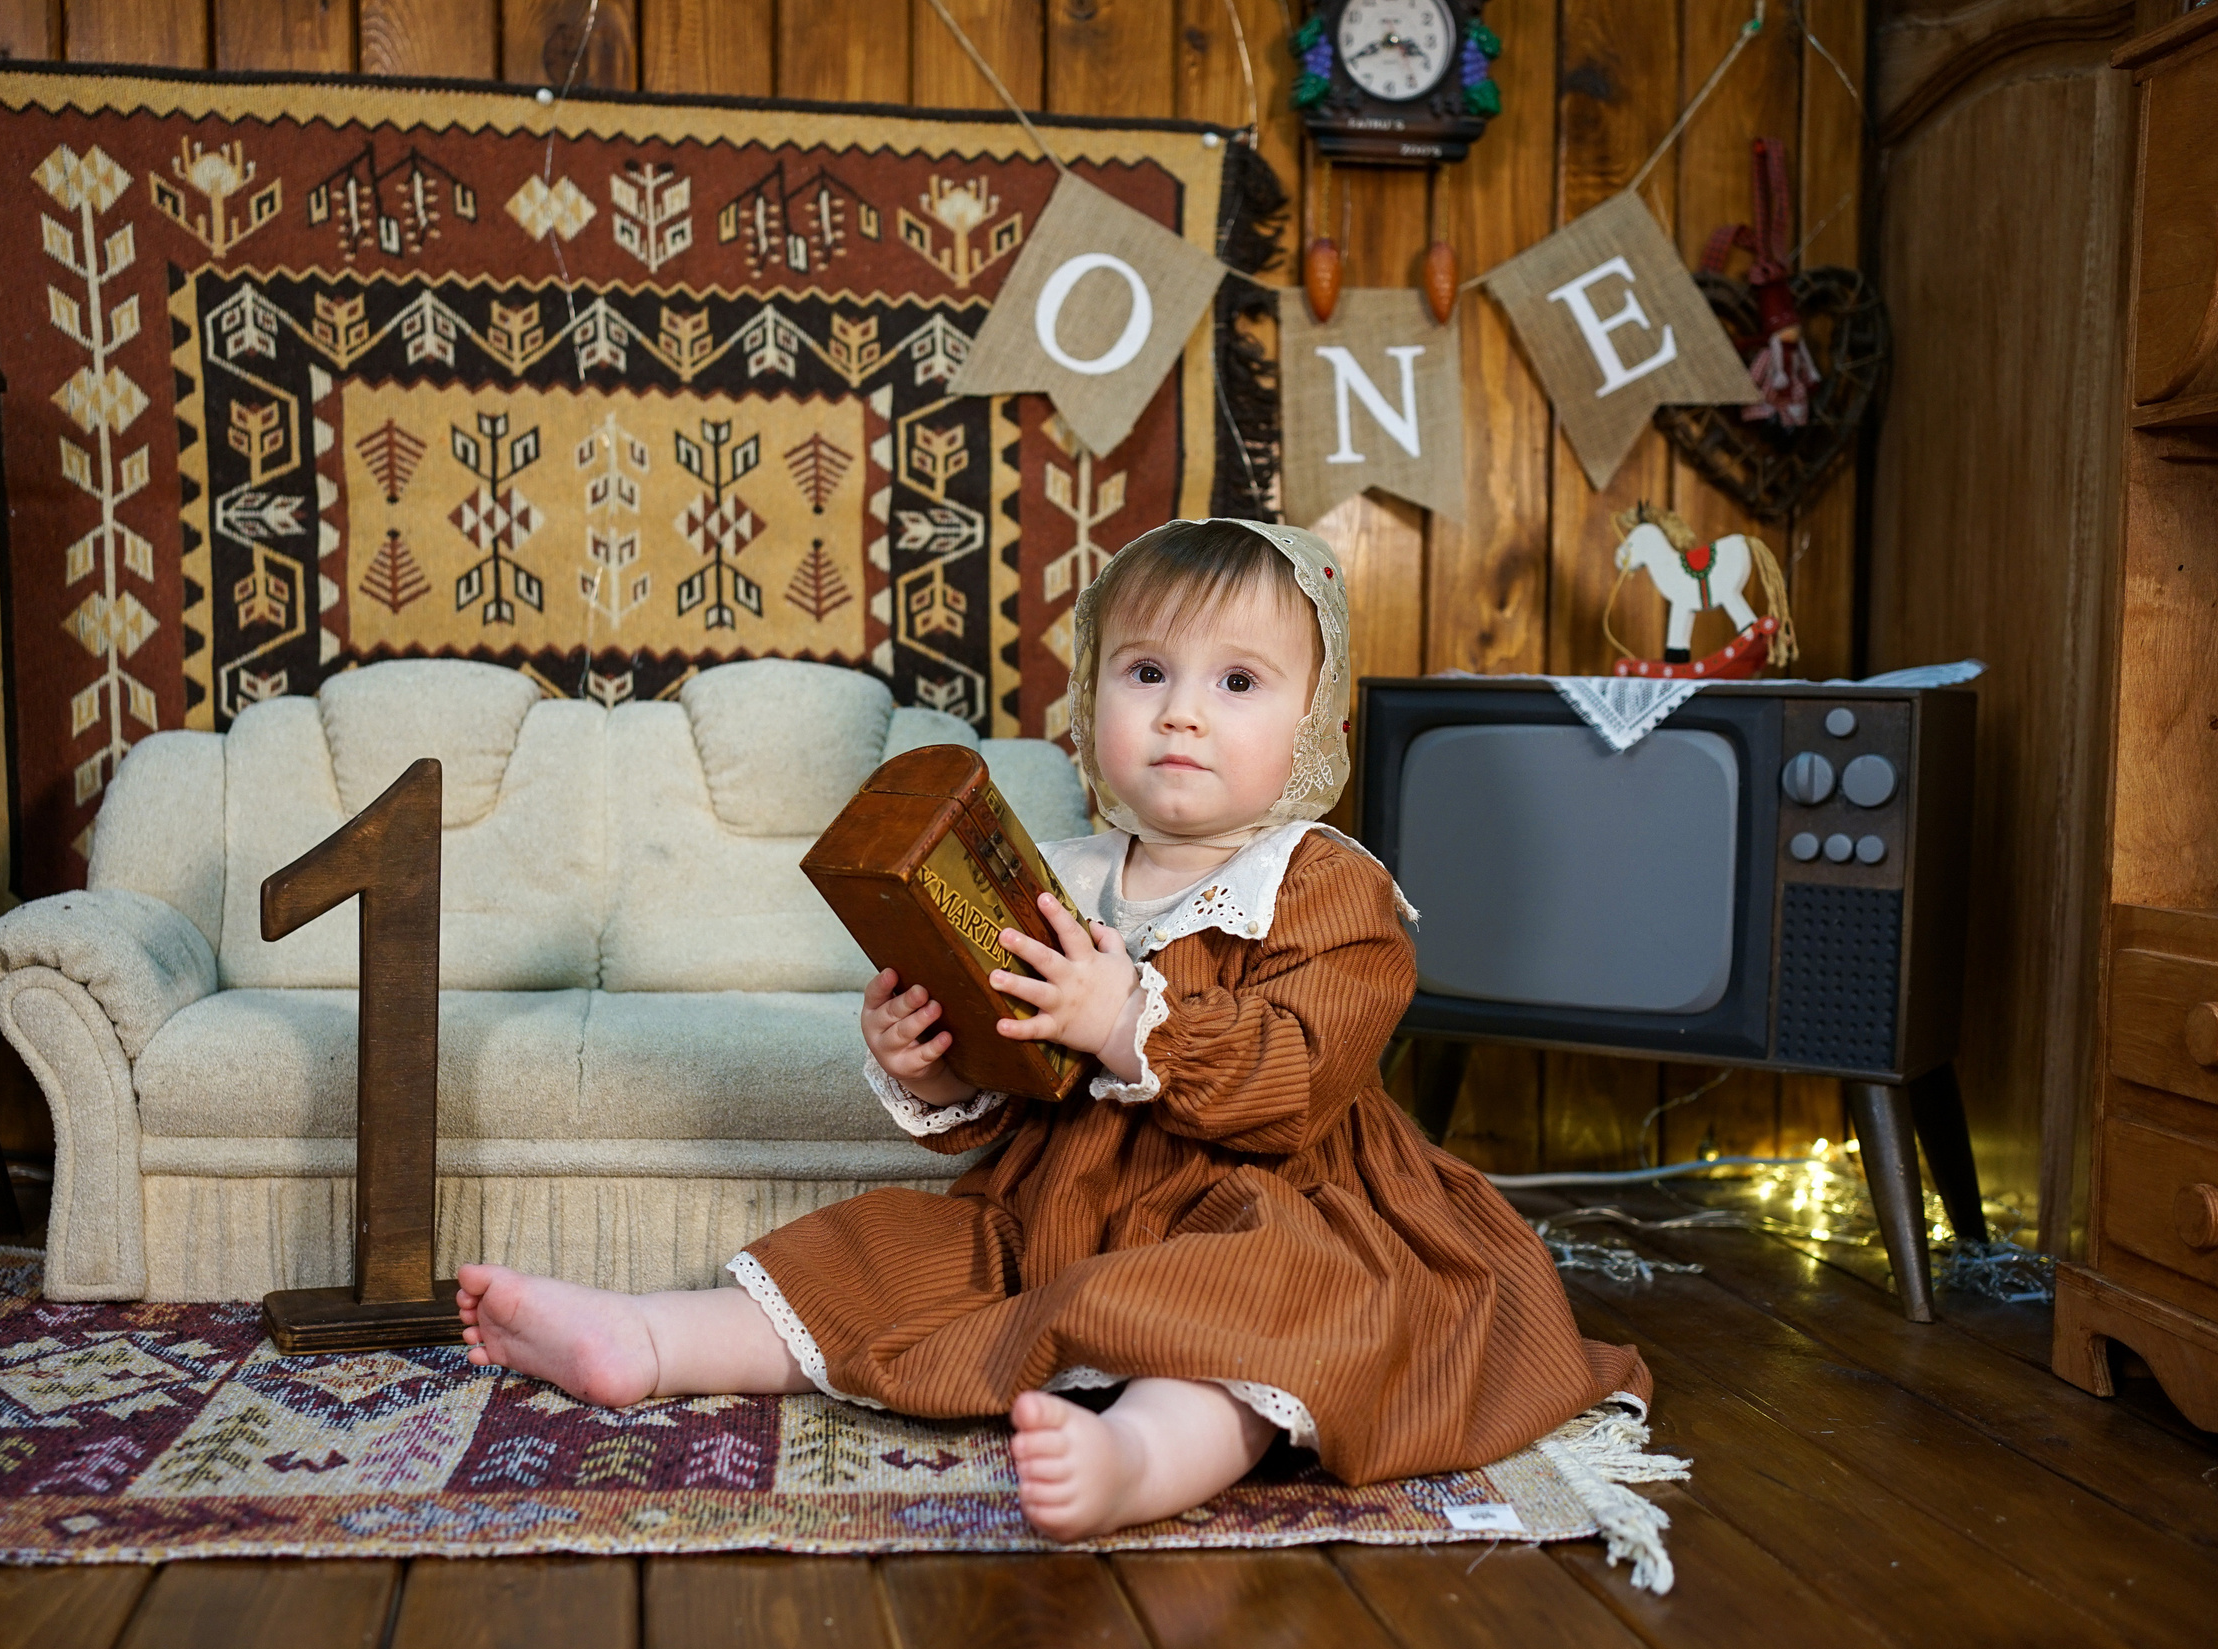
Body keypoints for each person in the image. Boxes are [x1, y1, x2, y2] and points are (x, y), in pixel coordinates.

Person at [455, 518, 1648, 1541]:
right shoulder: (1052, 876)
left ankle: (1140, 1458)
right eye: (1144, 674)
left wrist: (1128, 1017)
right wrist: (933, 1057)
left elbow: (1299, 1077)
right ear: (1090, 702)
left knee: (1274, 1304)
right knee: (898, 1254)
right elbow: (1017, 1073)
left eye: (1236, 684)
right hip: (1063, 1195)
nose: (1182, 715)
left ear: (1313, 723)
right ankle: (649, 1342)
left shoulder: (1326, 884)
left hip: (1271, 1192)